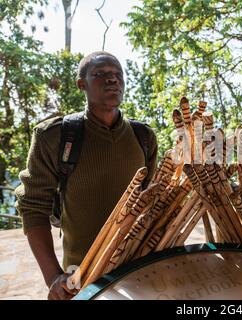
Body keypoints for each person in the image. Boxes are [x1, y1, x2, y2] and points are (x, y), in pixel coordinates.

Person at [15, 52, 158, 300]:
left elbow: (152, 200)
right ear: (82, 84)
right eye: (100, 74)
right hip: (82, 277)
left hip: (139, 271)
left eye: (117, 75)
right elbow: (32, 207)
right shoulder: (55, 137)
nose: (112, 80)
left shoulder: (143, 138)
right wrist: (54, 277)